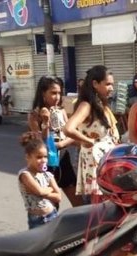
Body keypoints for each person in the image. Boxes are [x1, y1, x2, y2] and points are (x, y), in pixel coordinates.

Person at [64, 65, 119, 203]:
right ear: (95, 84)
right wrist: (89, 141)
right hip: (95, 162)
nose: (111, 88)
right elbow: (68, 129)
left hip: (106, 161)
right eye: (107, 84)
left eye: (112, 84)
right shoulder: (86, 105)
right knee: (99, 209)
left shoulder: (100, 104)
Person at [28, 76, 82, 207]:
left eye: (59, 93)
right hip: (47, 164)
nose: (57, 96)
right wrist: (45, 122)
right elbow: (40, 143)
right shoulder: (35, 115)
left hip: (65, 160)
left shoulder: (61, 110)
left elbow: (72, 134)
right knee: (51, 205)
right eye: (53, 93)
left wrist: (62, 144)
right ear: (43, 93)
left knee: (78, 203)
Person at [18, 132, 61, 229]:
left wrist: (43, 191)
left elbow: (58, 197)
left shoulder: (48, 175)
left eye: (45, 157)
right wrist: (48, 189)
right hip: (37, 219)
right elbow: (40, 191)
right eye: (38, 157)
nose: (43, 160)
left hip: (52, 215)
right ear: (28, 157)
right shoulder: (25, 174)